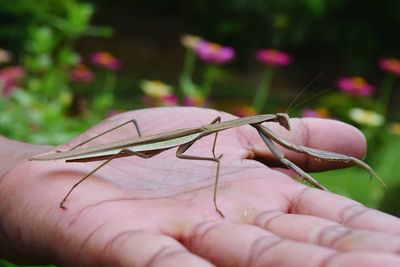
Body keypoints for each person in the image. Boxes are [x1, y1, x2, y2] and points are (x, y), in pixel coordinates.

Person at [0, 107, 399, 267]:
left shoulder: (224, 131)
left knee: (210, 159)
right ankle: (71, 177)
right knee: (128, 138)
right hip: (133, 148)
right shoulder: (213, 131)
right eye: (276, 118)